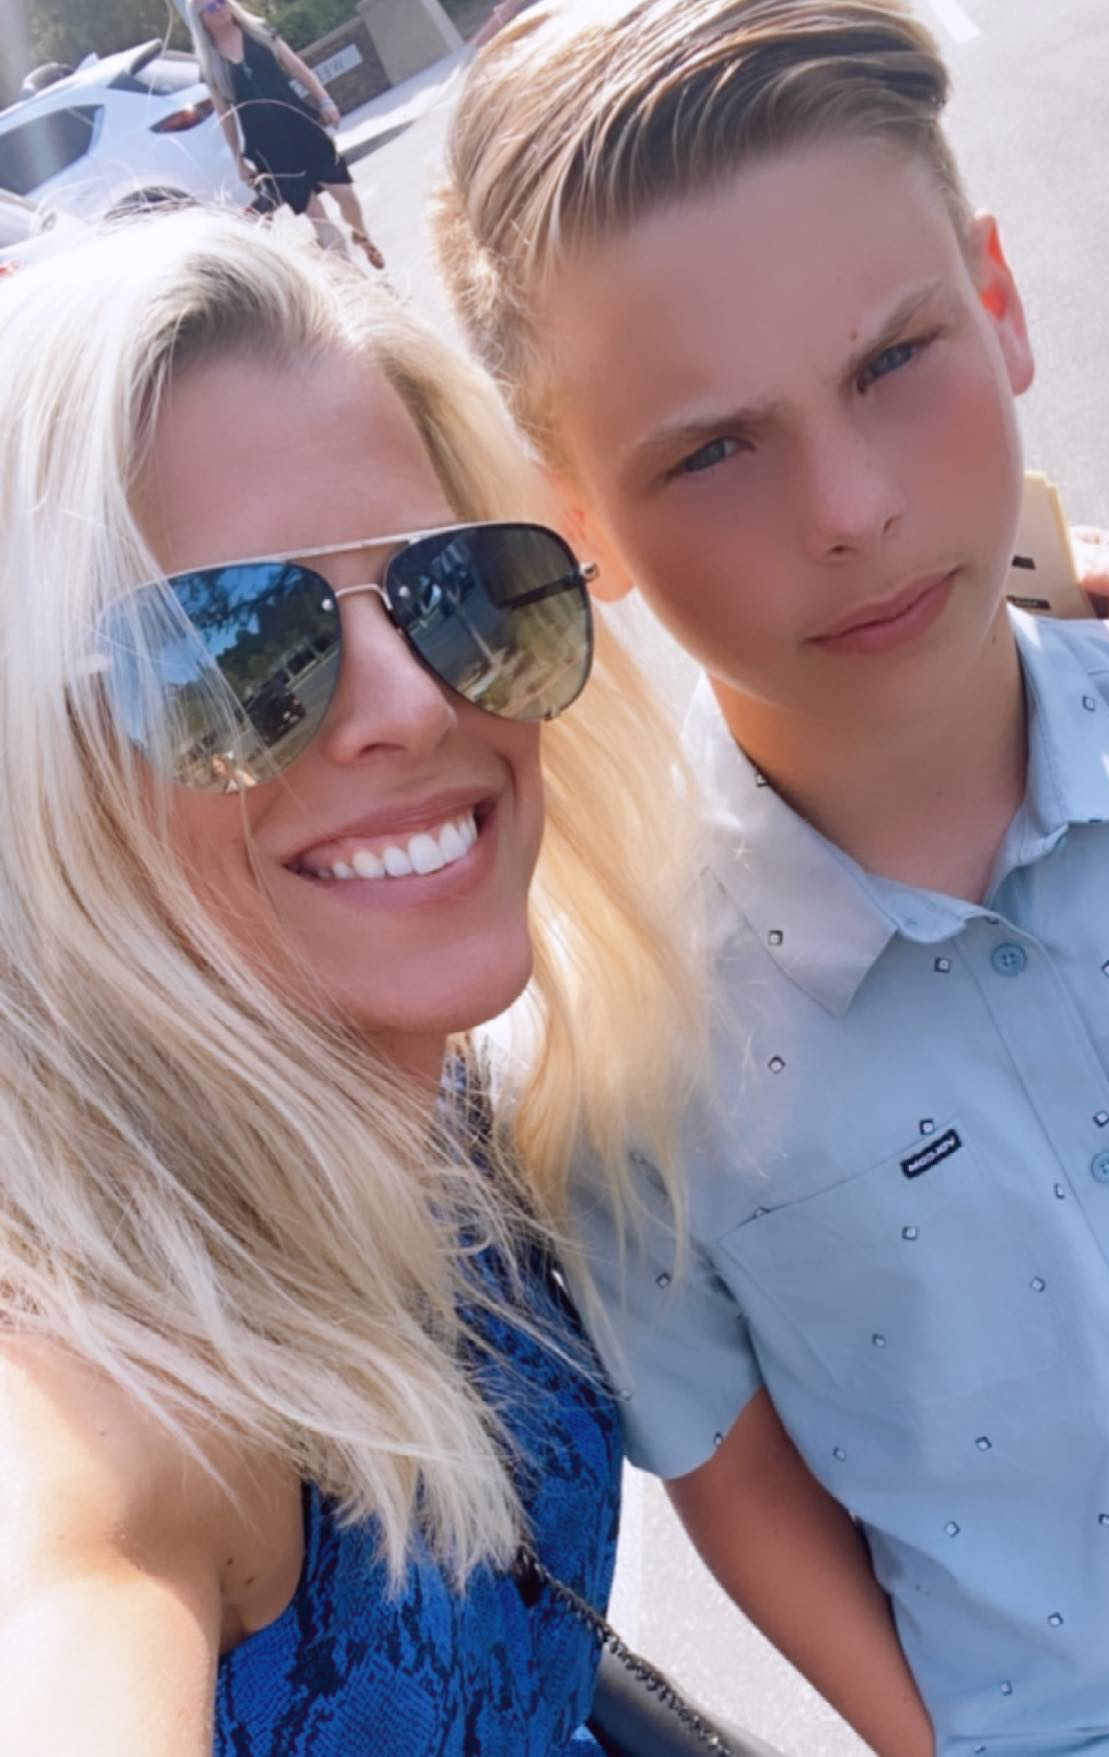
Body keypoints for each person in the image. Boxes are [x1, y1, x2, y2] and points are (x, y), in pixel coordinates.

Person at [434, 3, 1109, 1755]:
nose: (851, 504)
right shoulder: (612, 1053)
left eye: (892, 359)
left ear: (998, 299)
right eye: (712, 448)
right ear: (571, 513)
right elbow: (737, 1471)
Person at [0, 207, 704, 1756]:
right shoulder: (98, 1408)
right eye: (231, 657)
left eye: (457, 590)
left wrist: (1028, 655)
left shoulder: (440, 1093)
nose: (410, 701)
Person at [188, 0, 387, 268]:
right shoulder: (210, 65)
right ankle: (353, 277)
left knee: (344, 193)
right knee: (316, 215)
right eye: (211, 8)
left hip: (300, 126)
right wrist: (238, 160)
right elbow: (225, 115)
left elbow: (296, 66)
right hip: (268, 147)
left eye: (222, 1)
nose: (220, 8)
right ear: (201, 20)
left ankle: (361, 236)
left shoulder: (259, 33)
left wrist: (325, 100)